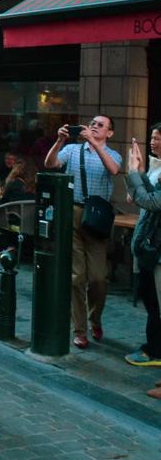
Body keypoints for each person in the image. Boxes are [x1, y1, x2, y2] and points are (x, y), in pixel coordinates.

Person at [44, 116, 121, 349]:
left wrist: (95, 145)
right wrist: (59, 141)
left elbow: (114, 170)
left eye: (100, 125)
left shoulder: (113, 153)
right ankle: (79, 329)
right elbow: (50, 164)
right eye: (93, 123)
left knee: (98, 278)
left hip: (97, 217)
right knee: (76, 277)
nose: (94, 126)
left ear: (109, 133)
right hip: (73, 212)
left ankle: (94, 318)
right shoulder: (73, 149)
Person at [124, 125, 161, 387]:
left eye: (158, 139)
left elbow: (150, 202)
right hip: (152, 251)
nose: (153, 142)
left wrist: (132, 172)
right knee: (152, 302)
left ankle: (155, 350)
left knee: (156, 304)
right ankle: (154, 348)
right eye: (153, 138)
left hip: (158, 251)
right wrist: (139, 171)